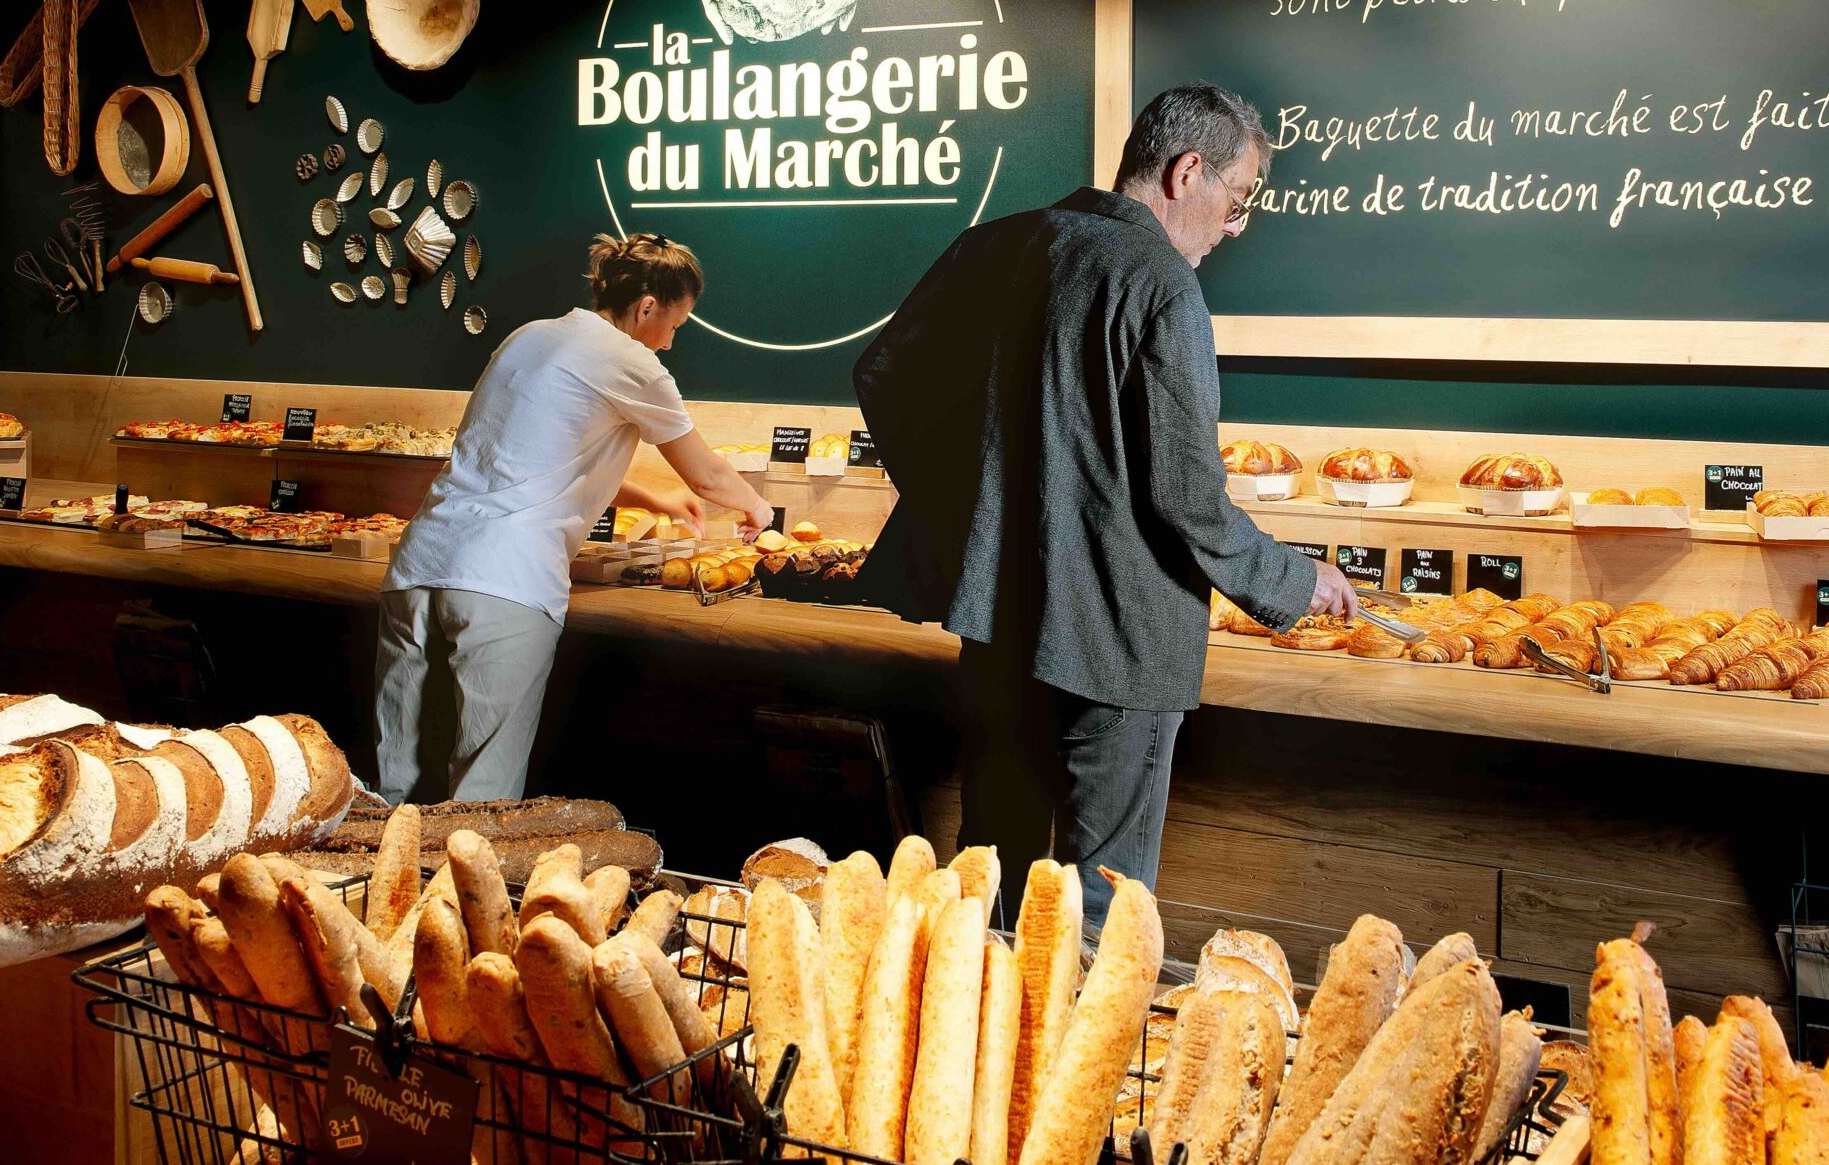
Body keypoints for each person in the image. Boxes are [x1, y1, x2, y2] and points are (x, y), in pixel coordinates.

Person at [853, 82, 1359, 930]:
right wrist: (1287, 578)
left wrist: (976, 512)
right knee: (1099, 909)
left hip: (1000, 625)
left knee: (990, 890)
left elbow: (884, 375)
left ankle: (980, 1058)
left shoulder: (995, 244)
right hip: (1122, 639)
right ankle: (1069, 1065)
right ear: (1187, 171)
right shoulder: (1161, 282)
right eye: (1236, 201)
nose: (1234, 229)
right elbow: (1189, 496)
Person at [378, 234, 772, 802]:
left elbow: (526, 456)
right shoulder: (635, 363)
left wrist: (653, 502)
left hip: (418, 567)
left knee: (398, 787)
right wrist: (758, 509)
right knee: (480, 804)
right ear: (646, 308)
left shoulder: (528, 337)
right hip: (503, 584)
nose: (670, 341)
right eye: (677, 324)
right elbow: (708, 475)